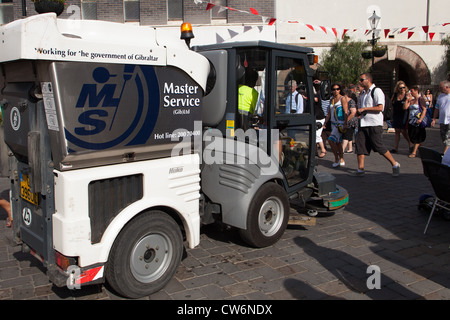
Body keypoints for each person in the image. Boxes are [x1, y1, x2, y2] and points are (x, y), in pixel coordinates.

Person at [352, 73, 400, 177]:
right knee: (360, 146)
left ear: (368, 80)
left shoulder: (376, 91)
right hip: (363, 123)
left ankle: (395, 164)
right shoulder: (363, 93)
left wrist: (364, 109)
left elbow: (380, 108)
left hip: (374, 123)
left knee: (378, 146)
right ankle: (360, 169)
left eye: (361, 80)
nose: (360, 82)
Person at [324, 83, 348, 167]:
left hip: (340, 123)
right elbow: (329, 114)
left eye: (337, 89)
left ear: (340, 90)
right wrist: (325, 122)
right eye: (334, 89)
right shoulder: (332, 99)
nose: (336, 91)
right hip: (333, 123)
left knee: (330, 140)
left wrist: (345, 123)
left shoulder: (343, 98)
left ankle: (337, 158)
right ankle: (341, 158)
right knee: (337, 143)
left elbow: (345, 112)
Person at [404, 86, 427, 158]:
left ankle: (414, 152)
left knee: (417, 136)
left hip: (418, 120)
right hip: (411, 121)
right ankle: (420, 148)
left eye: (412, 91)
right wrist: (407, 99)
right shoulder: (411, 100)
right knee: (411, 136)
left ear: (416, 91)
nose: (411, 92)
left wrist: (420, 119)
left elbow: (424, 109)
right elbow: (405, 107)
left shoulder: (421, 99)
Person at [390, 81, 413, 154]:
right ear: (398, 88)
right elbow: (392, 103)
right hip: (396, 113)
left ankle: (410, 143)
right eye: (400, 88)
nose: (402, 89)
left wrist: (407, 99)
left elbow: (406, 107)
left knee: (403, 130)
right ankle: (395, 148)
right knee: (397, 131)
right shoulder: (395, 95)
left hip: (404, 114)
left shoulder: (407, 95)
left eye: (403, 87)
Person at [431, 80, 450, 154]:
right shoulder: (440, 96)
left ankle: (444, 154)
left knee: (448, 138)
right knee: (444, 137)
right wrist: (434, 119)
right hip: (442, 120)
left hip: (449, 120)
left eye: (441, 87)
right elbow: (437, 108)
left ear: (447, 87)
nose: (440, 89)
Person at [342, 88, 357, 154]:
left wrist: (346, 120)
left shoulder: (351, 101)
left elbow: (353, 112)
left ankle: (341, 150)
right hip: (349, 121)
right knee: (349, 136)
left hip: (351, 122)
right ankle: (350, 149)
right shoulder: (346, 102)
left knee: (346, 136)